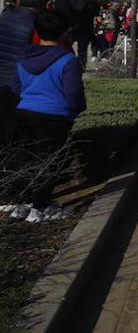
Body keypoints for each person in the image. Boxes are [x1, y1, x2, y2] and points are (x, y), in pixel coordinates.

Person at [4, 11, 85, 222]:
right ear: (63, 33)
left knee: (23, 159)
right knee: (49, 162)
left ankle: (21, 204)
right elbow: (74, 93)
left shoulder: (23, 57)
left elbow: (15, 86)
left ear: (36, 31)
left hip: (25, 113)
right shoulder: (68, 60)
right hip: (54, 117)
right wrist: (75, 110)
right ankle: (41, 207)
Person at [0, 0, 50, 145]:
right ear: (46, 3)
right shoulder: (40, 27)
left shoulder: (4, 17)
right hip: (18, 88)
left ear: (19, 0)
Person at [70, 0, 99, 68]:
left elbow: (98, 17)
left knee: (82, 49)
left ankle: (82, 66)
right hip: (73, 28)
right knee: (68, 46)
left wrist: (97, 27)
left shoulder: (92, 4)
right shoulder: (72, 1)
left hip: (85, 29)